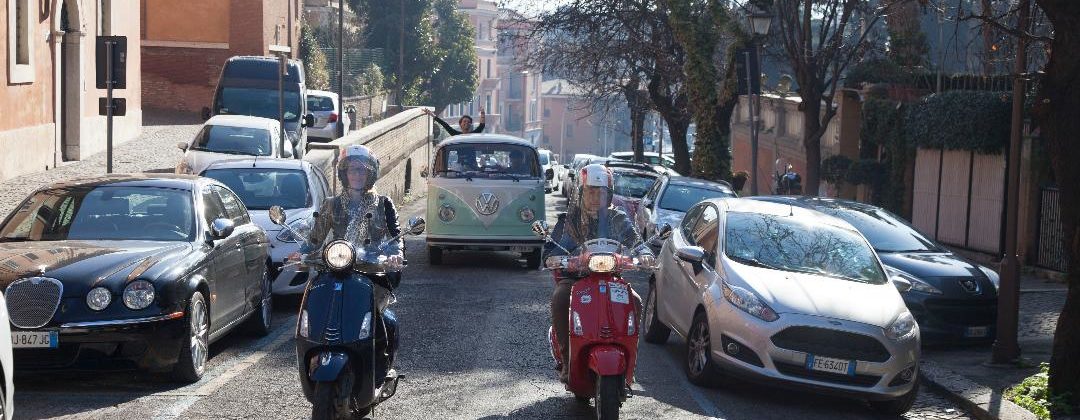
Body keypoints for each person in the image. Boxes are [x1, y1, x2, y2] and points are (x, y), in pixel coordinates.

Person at [545, 164, 654, 383]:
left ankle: (629, 362)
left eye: (601, 192)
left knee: (636, 300)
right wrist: (559, 258)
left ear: (609, 194)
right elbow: (555, 248)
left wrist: (645, 254)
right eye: (591, 191)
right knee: (560, 298)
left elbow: (636, 242)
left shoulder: (617, 218)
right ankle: (567, 360)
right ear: (581, 191)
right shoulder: (571, 220)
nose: (596, 197)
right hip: (577, 279)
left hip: (611, 278)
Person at [289, 145, 404, 353]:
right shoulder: (331, 205)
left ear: (370, 173)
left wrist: (395, 255)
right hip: (337, 268)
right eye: (352, 169)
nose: (357, 174)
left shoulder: (383, 204)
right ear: (344, 173)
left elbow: (395, 236)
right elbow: (315, 238)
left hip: (372, 270)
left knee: (380, 319)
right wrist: (302, 253)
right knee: (318, 307)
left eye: (362, 170)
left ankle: (379, 358)